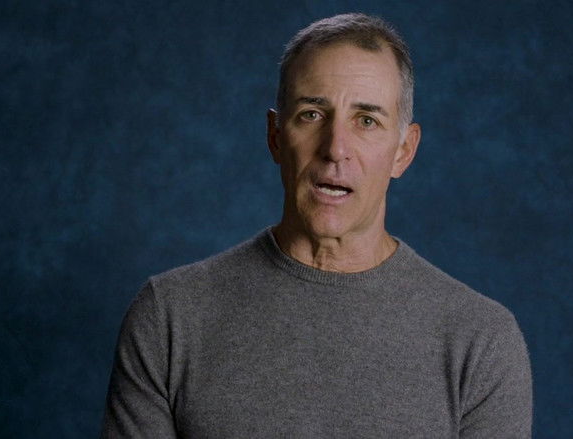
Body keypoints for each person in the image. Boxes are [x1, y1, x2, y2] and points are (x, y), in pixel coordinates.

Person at [100, 13, 532, 438]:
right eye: (311, 114)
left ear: (403, 151)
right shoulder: (170, 317)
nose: (335, 148)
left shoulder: (480, 342)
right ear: (275, 136)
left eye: (367, 121)